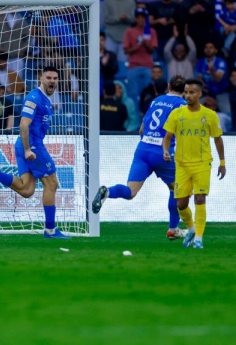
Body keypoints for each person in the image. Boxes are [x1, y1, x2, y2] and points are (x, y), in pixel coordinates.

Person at [0, 66, 70, 239]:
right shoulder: (34, 97)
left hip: (27, 144)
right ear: (41, 78)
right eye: (49, 77)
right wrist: (28, 149)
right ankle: (50, 230)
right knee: (51, 184)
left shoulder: (45, 99)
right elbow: (23, 124)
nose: (52, 81)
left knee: (27, 190)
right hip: (31, 145)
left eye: (55, 78)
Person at [93, 75, 187, 240]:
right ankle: (173, 229)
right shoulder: (182, 105)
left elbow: (142, 129)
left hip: (143, 150)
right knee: (176, 189)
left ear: (168, 85)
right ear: (184, 90)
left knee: (130, 192)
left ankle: (107, 191)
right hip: (163, 152)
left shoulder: (156, 100)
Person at [162, 79, 226, 249]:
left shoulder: (210, 115)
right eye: (186, 92)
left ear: (200, 94)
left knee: (199, 198)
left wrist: (222, 162)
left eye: (191, 92)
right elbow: (167, 136)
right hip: (181, 165)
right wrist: (165, 150)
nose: (188, 95)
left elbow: (218, 139)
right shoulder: (177, 114)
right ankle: (191, 228)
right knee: (181, 204)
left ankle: (198, 238)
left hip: (202, 164)